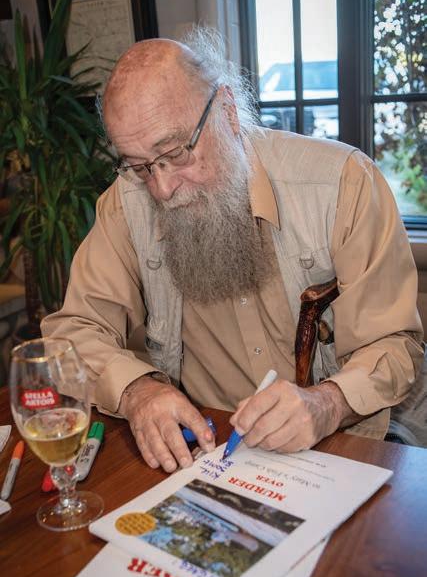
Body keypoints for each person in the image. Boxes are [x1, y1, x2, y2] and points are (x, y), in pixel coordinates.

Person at [41, 28, 424, 473]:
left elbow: (395, 345)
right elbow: (72, 333)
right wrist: (137, 391)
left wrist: (327, 403)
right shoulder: (126, 204)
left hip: (347, 441)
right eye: (140, 166)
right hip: (213, 449)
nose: (162, 189)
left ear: (226, 111)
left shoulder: (342, 183)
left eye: (176, 153)